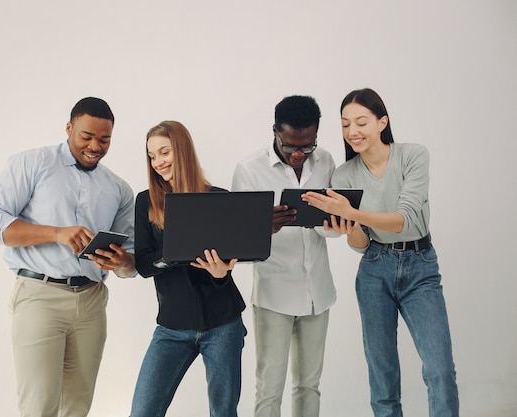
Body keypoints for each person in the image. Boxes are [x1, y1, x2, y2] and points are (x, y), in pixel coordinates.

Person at [302, 88, 459, 417]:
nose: (352, 132)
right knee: (382, 375)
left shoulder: (412, 155)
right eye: (345, 125)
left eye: (361, 122)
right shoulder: (344, 175)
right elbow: (359, 245)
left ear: (381, 122)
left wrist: (353, 212)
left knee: (439, 371)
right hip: (375, 269)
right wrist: (350, 225)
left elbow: (405, 219)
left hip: (420, 266)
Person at [0, 97, 137, 417]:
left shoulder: (119, 189)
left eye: (104, 139)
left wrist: (120, 262)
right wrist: (56, 233)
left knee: (77, 407)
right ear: (69, 128)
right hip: (40, 296)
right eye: (86, 136)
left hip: (92, 301)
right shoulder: (31, 164)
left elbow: (131, 261)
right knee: (39, 406)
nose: (95, 146)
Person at [130, 120, 247, 417]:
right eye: (152, 156)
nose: (158, 162)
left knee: (223, 412)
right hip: (172, 327)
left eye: (164, 152)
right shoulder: (146, 202)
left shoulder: (219, 199)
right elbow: (143, 264)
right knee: (143, 411)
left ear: (182, 151)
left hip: (223, 325)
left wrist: (221, 274)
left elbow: (228, 261)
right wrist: (173, 253)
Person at [231, 95, 338, 417]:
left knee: (309, 384)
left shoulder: (327, 161)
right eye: (292, 146)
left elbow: (330, 232)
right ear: (275, 131)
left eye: (308, 146)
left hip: (318, 293)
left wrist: (333, 222)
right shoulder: (249, 170)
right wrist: (264, 228)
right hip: (274, 294)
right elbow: (236, 242)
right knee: (269, 386)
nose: (300, 155)